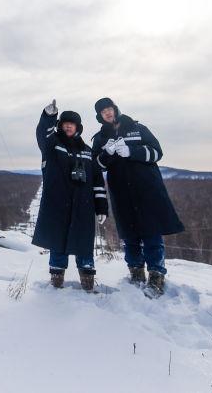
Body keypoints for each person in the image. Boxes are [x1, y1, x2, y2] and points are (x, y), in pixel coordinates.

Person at [91, 97, 184, 297]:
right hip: (121, 192)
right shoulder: (100, 138)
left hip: (147, 189)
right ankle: (135, 273)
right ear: (99, 116)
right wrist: (107, 154)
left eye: (109, 109)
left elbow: (157, 152)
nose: (107, 113)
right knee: (130, 234)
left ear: (114, 109)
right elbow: (96, 166)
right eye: (102, 111)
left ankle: (156, 275)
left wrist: (131, 152)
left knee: (151, 232)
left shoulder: (138, 128)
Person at [33, 99, 109, 291]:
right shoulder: (53, 146)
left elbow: (98, 181)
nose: (68, 126)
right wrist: (48, 116)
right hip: (57, 205)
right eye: (65, 123)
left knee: (84, 245)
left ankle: (88, 282)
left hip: (83, 207)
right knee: (58, 242)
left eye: (72, 123)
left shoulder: (87, 151)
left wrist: (101, 207)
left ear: (78, 128)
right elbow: (43, 134)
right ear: (60, 126)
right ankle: (56, 282)